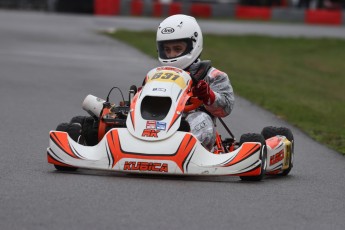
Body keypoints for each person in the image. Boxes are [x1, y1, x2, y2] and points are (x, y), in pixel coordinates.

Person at [152, 14, 235, 150]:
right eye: (167, 50)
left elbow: (226, 108)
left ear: (193, 45)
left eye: (177, 49)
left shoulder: (212, 75)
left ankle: (178, 147)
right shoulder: (157, 75)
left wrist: (208, 96)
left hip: (193, 127)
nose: (171, 55)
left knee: (200, 118)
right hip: (160, 122)